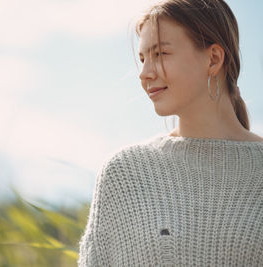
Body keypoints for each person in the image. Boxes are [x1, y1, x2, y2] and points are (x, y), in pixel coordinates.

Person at [77, 0, 263, 266]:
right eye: (142, 59)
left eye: (160, 54)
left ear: (213, 59)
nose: (144, 73)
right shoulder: (124, 174)